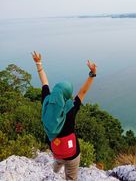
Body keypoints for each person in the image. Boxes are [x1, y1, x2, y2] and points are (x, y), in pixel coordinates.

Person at [32, 51, 97, 181]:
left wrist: (38, 63)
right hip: (72, 152)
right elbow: (83, 92)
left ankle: (54, 173)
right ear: (67, 95)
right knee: (71, 178)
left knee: (58, 161)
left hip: (56, 150)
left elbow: (44, 83)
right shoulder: (71, 107)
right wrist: (92, 74)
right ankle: (56, 171)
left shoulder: (47, 102)